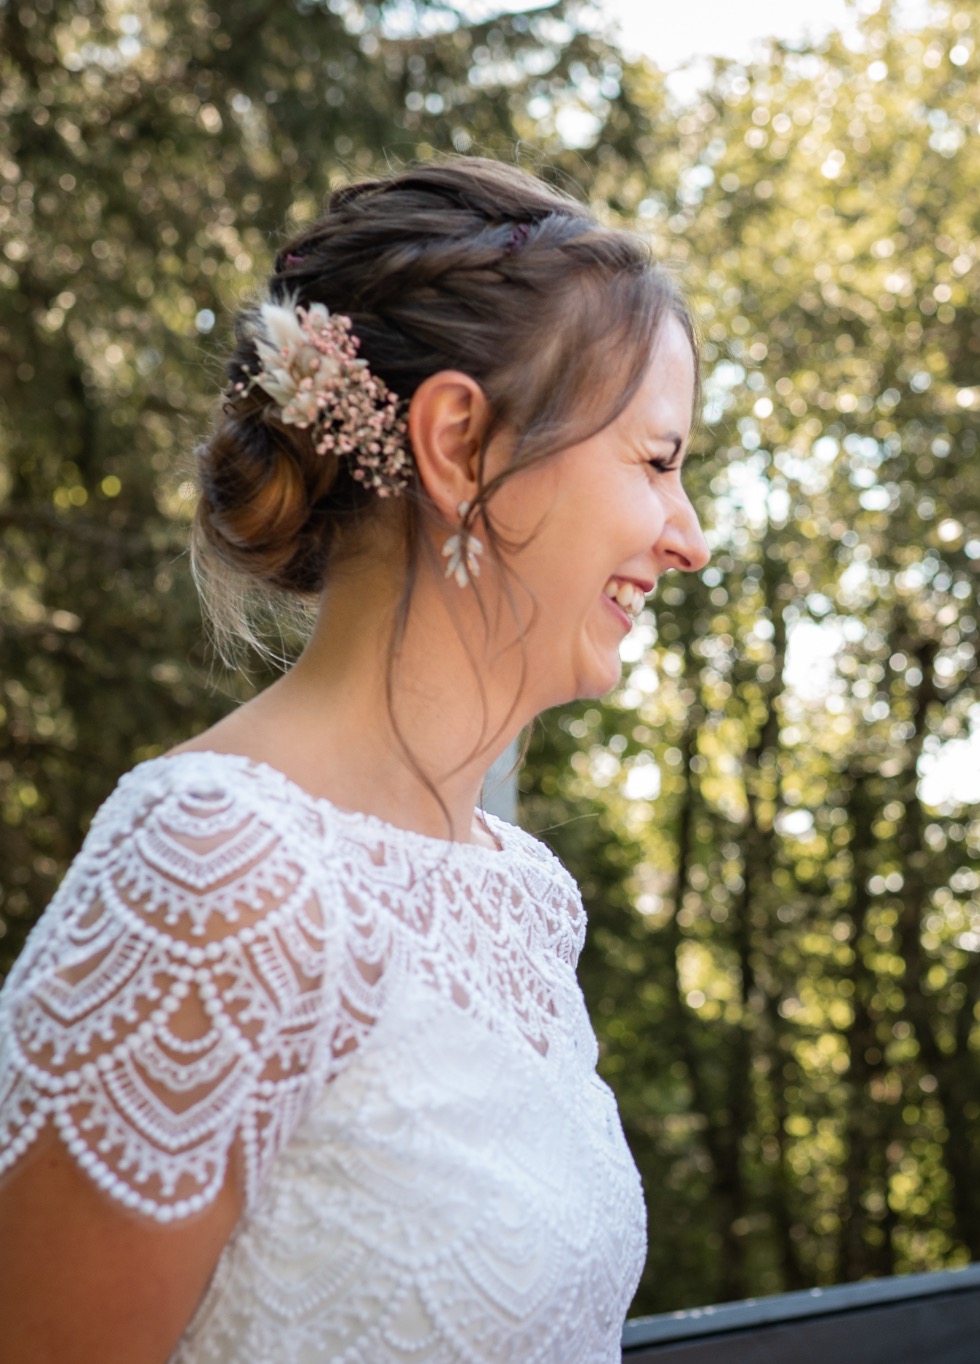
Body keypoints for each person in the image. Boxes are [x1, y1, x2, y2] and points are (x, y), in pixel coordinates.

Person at [0, 158, 708, 1363]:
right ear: (458, 445)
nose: (689, 538)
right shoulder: (215, 867)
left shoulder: (522, 893)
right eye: (654, 461)